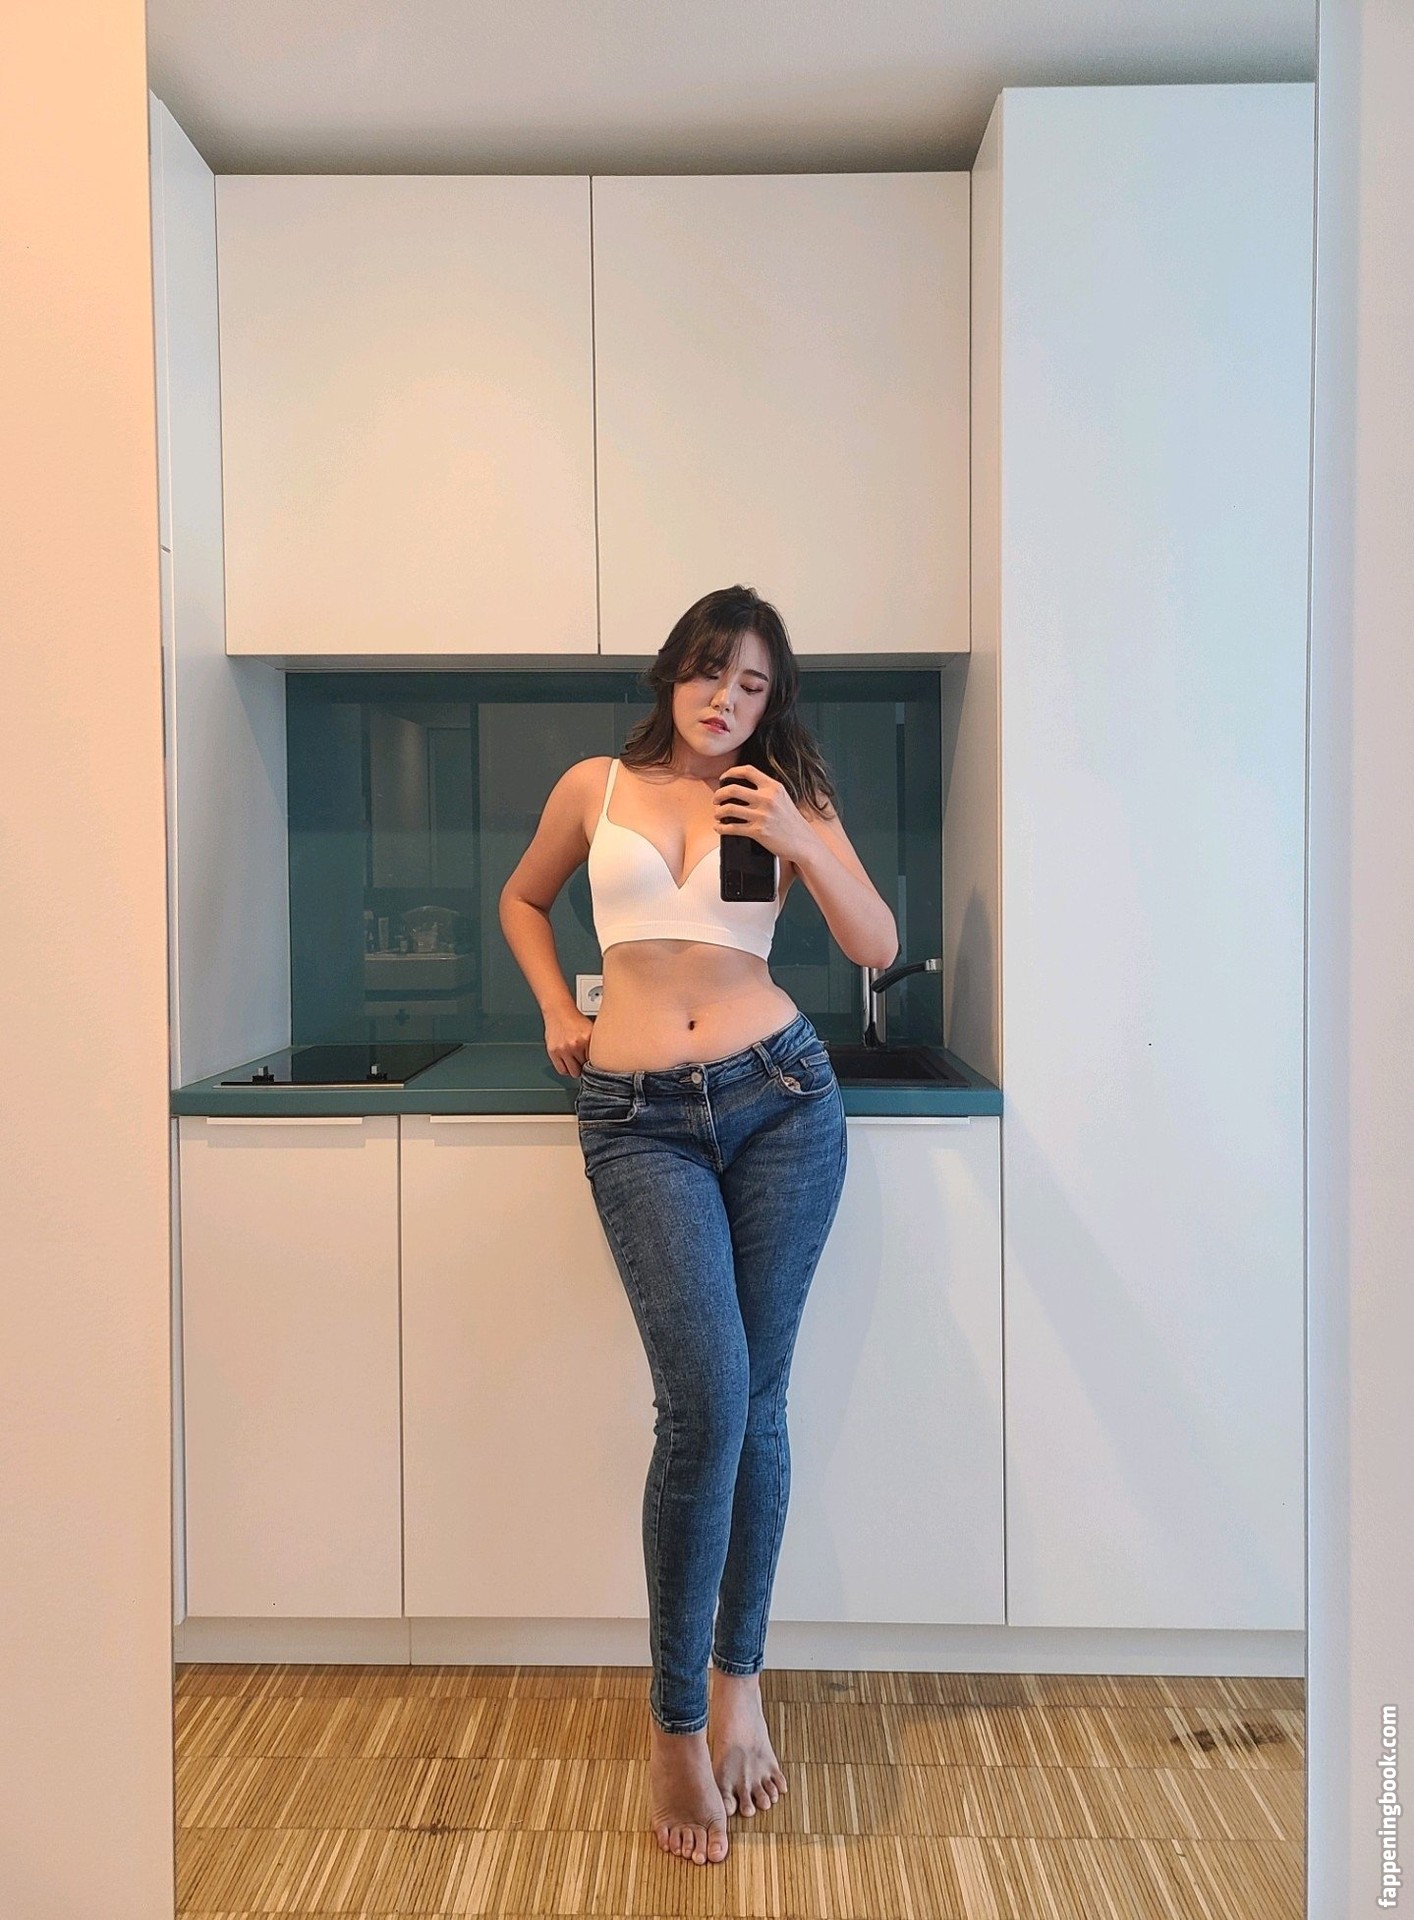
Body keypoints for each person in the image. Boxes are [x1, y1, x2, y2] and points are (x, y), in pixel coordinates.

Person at [498, 584, 899, 1867]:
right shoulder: (595, 787)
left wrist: (799, 835)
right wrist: (557, 1007)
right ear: (673, 672)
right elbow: (521, 901)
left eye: (754, 684)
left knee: (757, 1403)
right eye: (711, 671)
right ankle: (674, 1725)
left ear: (772, 702)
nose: (727, 698)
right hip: (637, 1119)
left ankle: (738, 1689)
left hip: (781, 1098)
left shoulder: (782, 794)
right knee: (706, 1405)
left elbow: (875, 942)